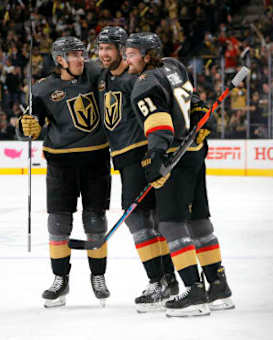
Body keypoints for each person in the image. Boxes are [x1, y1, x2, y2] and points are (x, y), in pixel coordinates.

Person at [126, 32, 234, 317]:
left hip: (175, 157)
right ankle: (218, 287)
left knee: (171, 224)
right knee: (199, 220)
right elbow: (195, 101)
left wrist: (156, 159)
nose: (128, 59)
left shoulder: (144, 84)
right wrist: (200, 115)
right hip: (196, 151)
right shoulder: (174, 66)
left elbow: (159, 125)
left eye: (132, 54)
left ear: (147, 55)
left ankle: (193, 291)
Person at [18, 37, 111, 308]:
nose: (80, 59)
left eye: (81, 54)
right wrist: (26, 128)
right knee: (58, 224)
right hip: (60, 164)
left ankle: (99, 276)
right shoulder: (43, 88)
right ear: (59, 59)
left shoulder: (95, 73)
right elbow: (25, 125)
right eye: (73, 55)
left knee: (95, 221)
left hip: (96, 160)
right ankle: (60, 279)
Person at [96, 26, 178, 312]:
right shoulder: (104, 77)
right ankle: (167, 279)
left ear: (123, 50)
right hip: (121, 157)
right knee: (147, 220)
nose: (104, 54)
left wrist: (153, 153)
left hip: (140, 155)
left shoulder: (136, 78)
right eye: (101, 48)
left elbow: (159, 108)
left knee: (142, 220)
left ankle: (160, 280)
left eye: (110, 48)